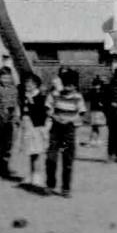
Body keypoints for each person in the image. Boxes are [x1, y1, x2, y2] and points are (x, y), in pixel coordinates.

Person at [45, 68, 86, 198]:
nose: (69, 88)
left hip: (69, 129)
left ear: (76, 86)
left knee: (67, 160)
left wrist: (73, 120)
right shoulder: (55, 94)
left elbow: (82, 112)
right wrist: (53, 116)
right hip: (56, 129)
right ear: (62, 83)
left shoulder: (78, 97)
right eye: (67, 84)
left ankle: (66, 188)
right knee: (51, 158)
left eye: (72, 85)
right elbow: (47, 107)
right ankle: (50, 184)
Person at [20, 73, 48, 187]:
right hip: (27, 126)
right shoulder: (25, 96)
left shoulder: (40, 97)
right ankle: (31, 174)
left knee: (36, 152)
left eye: (30, 83)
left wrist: (32, 102)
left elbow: (41, 114)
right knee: (30, 152)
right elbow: (24, 111)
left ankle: (37, 175)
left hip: (36, 127)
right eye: (26, 83)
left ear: (36, 85)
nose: (28, 85)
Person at [0, 66, 18, 177]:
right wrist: (1, 113)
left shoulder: (13, 89)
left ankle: (5, 167)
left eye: (8, 78)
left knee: (8, 143)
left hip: (9, 119)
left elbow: (15, 102)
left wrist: (14, 115)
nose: (6, 80)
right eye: (3, 78)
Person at [88, 75, 106, 146]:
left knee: (96, 126)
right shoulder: (94, 92)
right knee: (94, 126)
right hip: (95, 111)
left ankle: (96, 139)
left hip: (98, 111)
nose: (98, 87)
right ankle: (92, 140)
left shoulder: (100, 92)